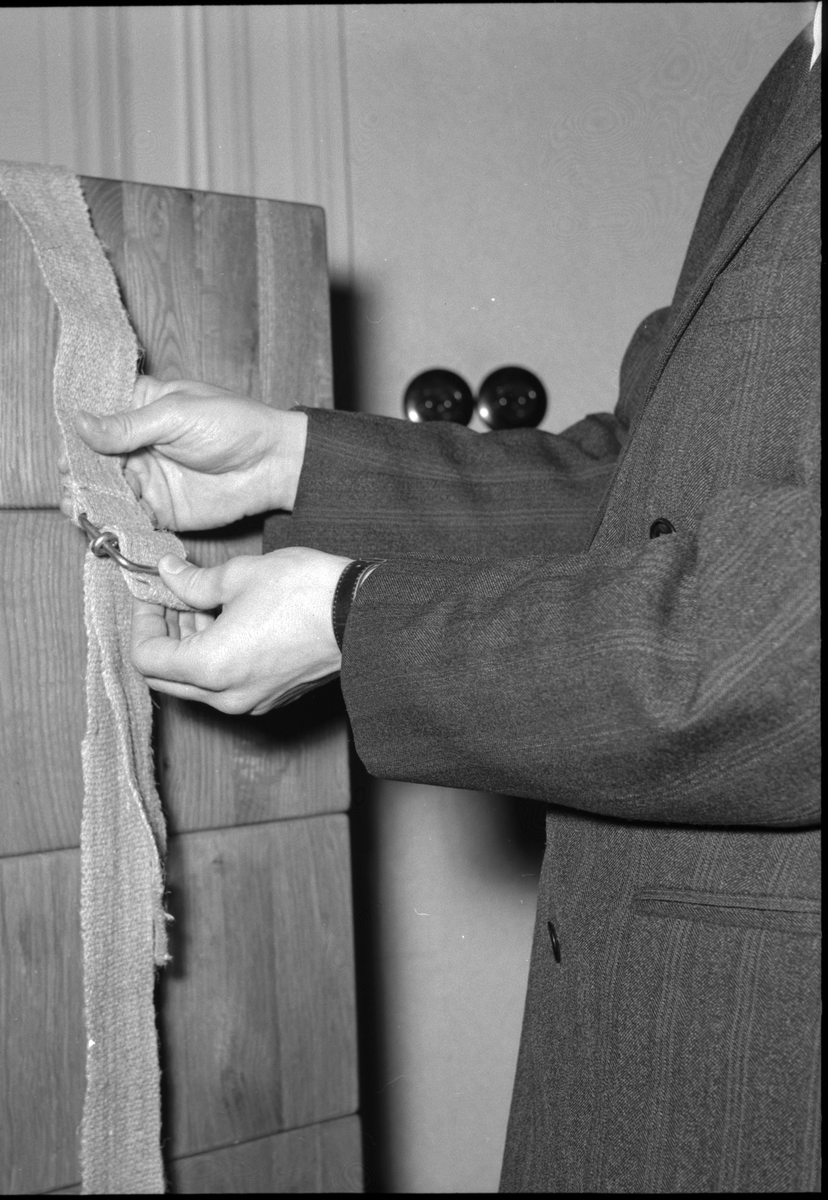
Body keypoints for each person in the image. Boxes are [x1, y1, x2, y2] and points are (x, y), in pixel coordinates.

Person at [72, 12, 821, 1192]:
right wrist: (290, 462)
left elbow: (783, 639)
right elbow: (634, 486)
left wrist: (355, 622)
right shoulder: (796, 76)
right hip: (646, 1019)